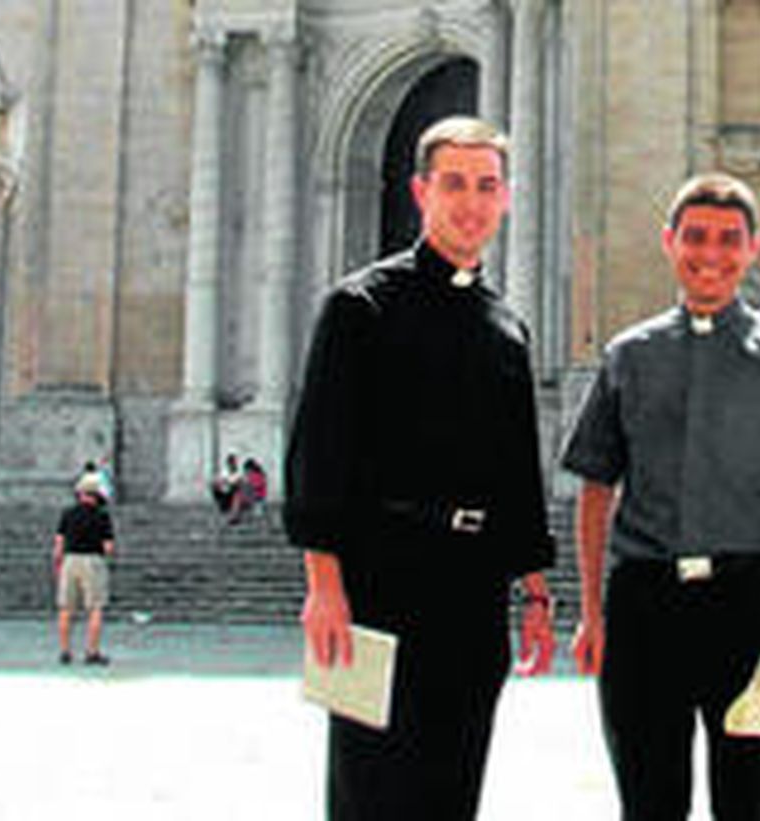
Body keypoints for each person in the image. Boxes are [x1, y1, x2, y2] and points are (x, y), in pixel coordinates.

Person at [283, 115, 557, 821]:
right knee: (367, 792)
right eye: (455, 184)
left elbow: (515, 470)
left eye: (487, 186)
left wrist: (534, 591)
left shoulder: (506, 326)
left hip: (473, 594)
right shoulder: (360, 306)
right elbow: (320, 450)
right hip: (378, 583)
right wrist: (324, 587)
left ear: (506, 198)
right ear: (420, 192)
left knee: (453, 790)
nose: (472, 202)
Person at [561, 173, 760, 821]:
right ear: (669, 241)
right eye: (696, 237)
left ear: (752, 248)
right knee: (647, 802)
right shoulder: (628, 356)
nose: (710, 254)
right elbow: (596, 486)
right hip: (644, 606)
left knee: (750, 803)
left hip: (752, 604)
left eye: (728, 239)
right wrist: (593, 612)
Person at [54, 474, 115, 665]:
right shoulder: (102, 515)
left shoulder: (68, 513)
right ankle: (92, 651)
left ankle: (65, 651)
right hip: (93, 560)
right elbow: (108, 547)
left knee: (65, 608)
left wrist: (58, 563)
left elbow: (58, 542)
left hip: (70, 560)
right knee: (95, 608)